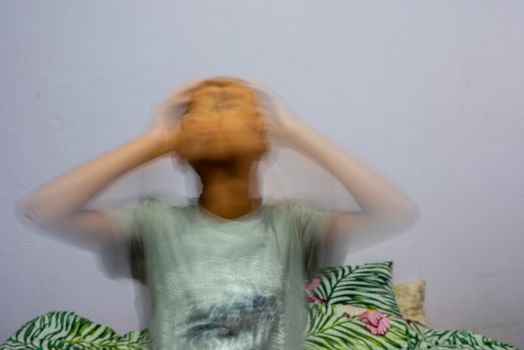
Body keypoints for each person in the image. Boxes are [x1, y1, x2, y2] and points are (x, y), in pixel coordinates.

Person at [15, 76, 420, 349]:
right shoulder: (153, 224)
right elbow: (43, 210)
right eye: (201, 110)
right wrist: (153, 139)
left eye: (233, 106)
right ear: (178, 148)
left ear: (265, 140)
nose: (218, 114)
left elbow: (393, 212)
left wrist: (296, 132)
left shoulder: (294, 224)